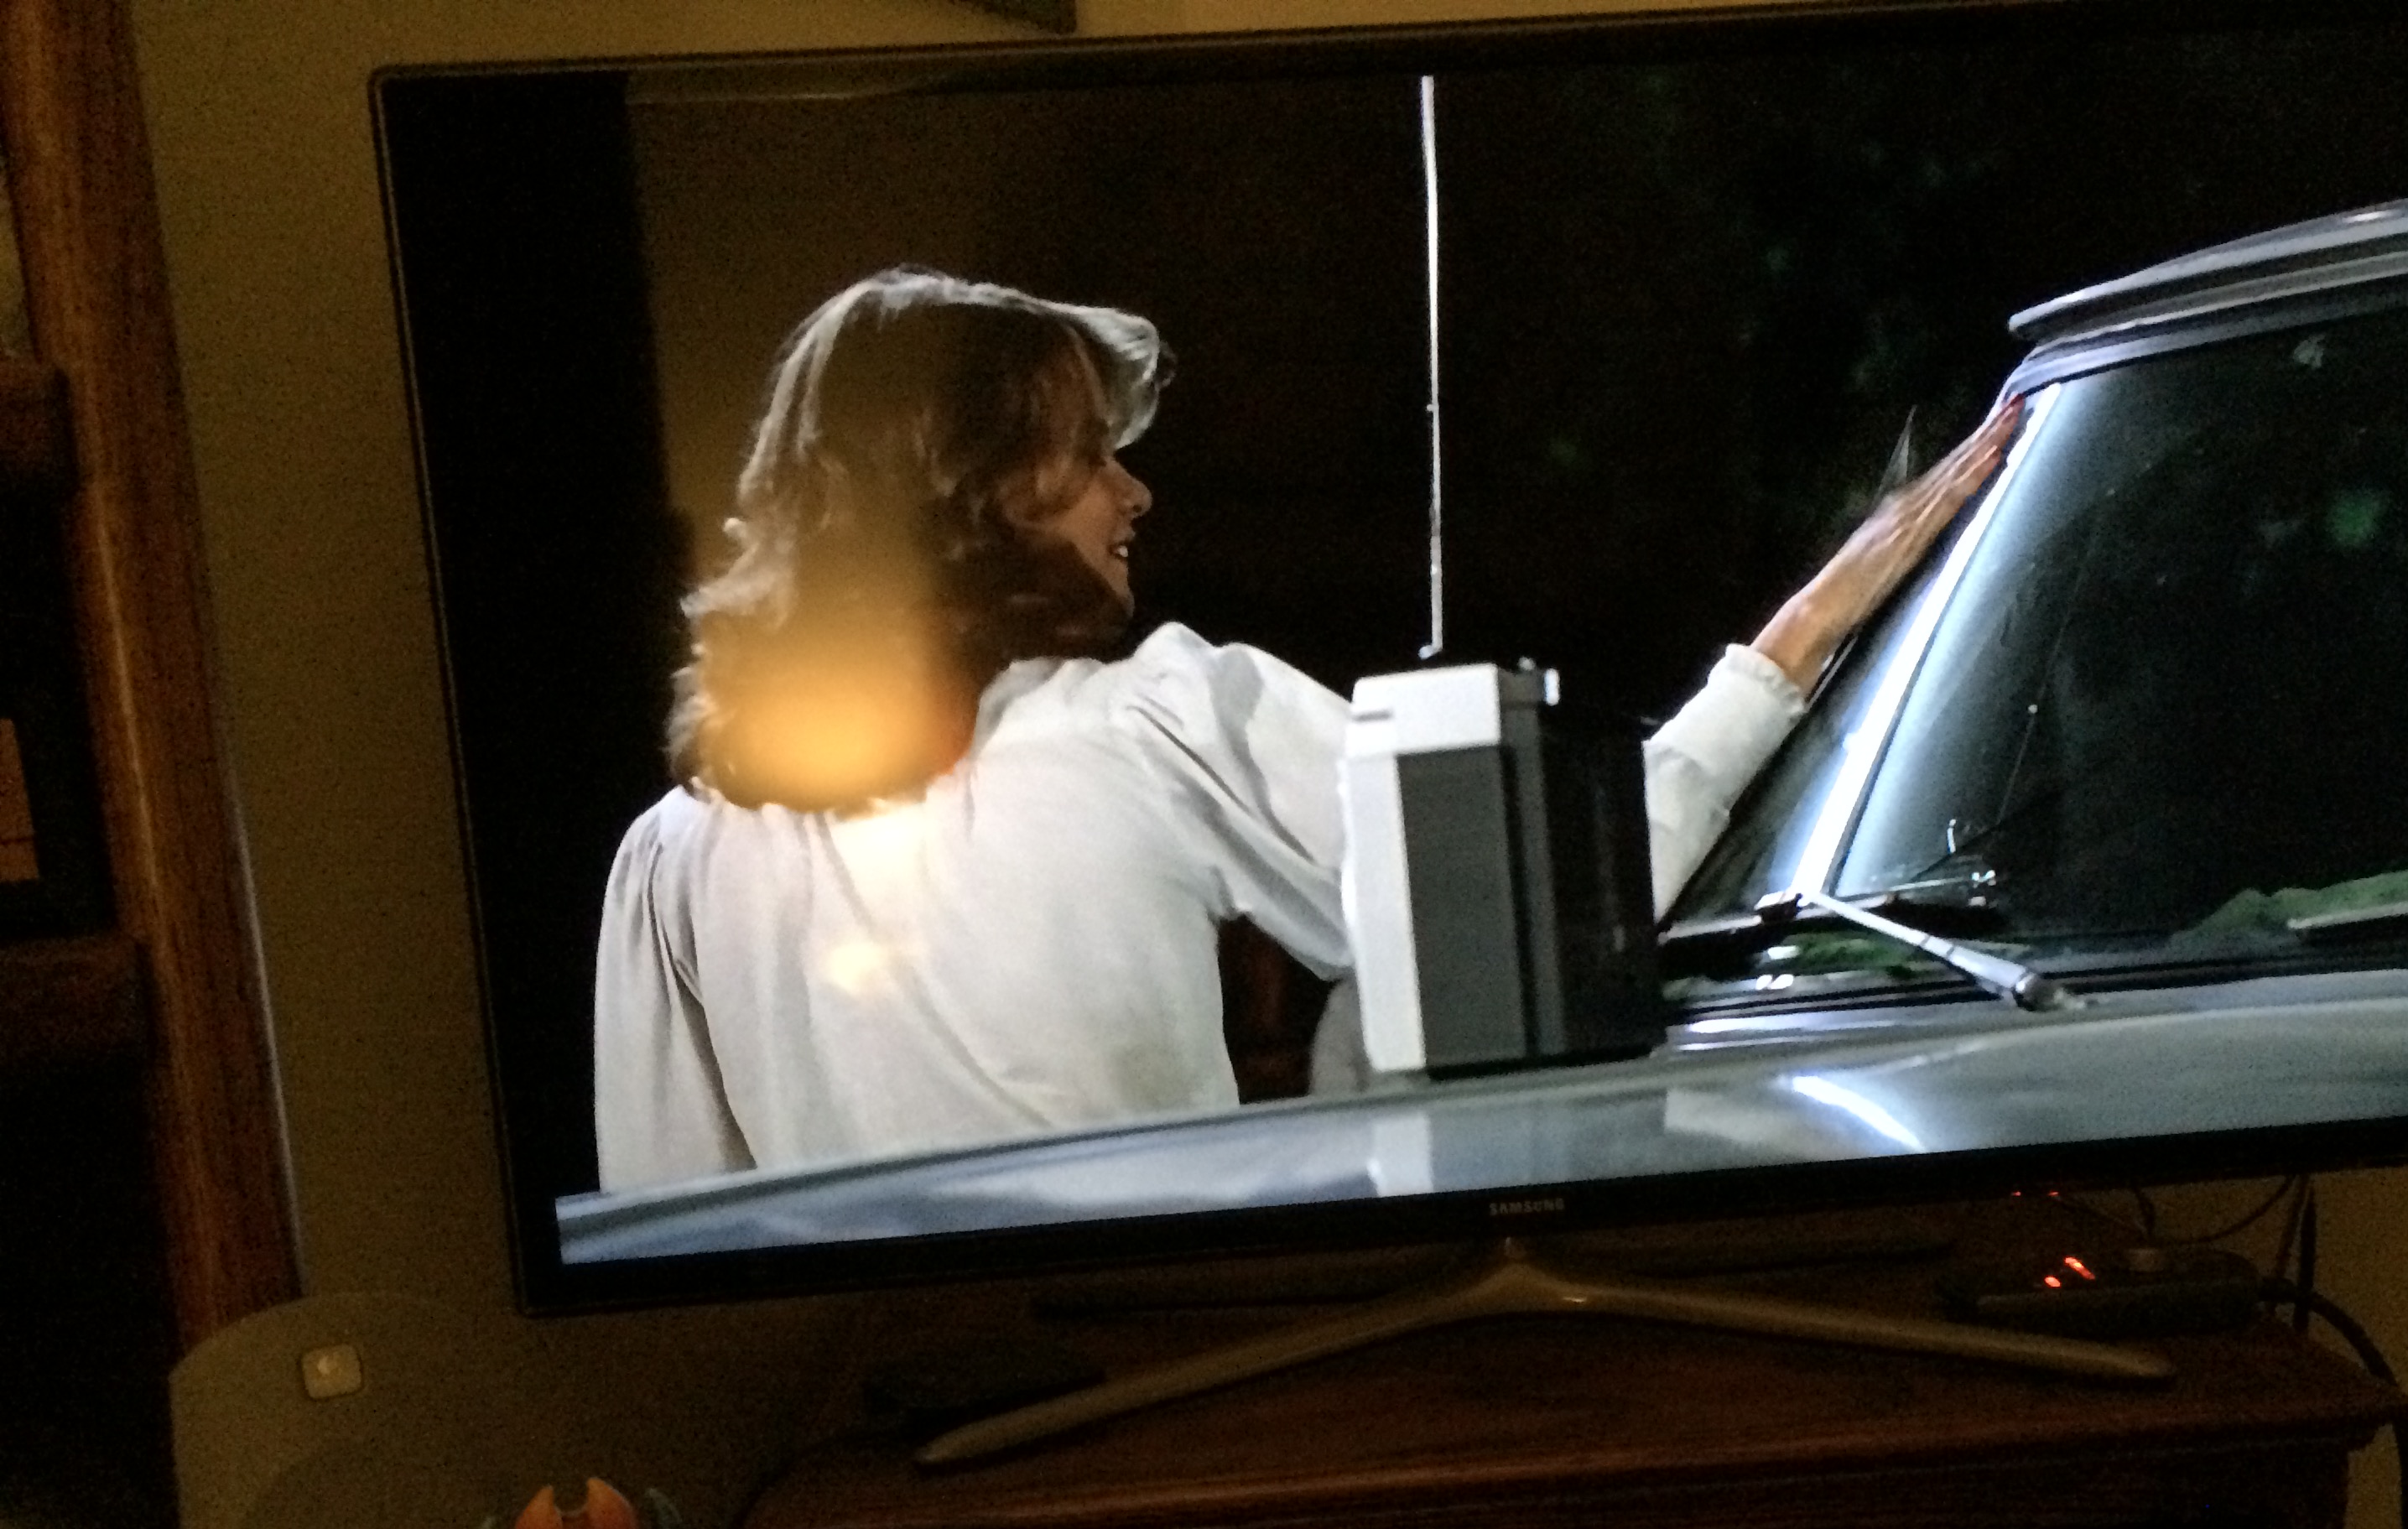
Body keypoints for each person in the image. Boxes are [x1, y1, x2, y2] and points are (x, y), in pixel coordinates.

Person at [594, 268, 2013, 1192]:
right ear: (972, 487)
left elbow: (675, 1225)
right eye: (1088, 456)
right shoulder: (1159, 721)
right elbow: (1552, 897)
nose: (1132, 494)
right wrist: (1806, 629)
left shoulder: (673, 852)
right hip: (1181, 1362)